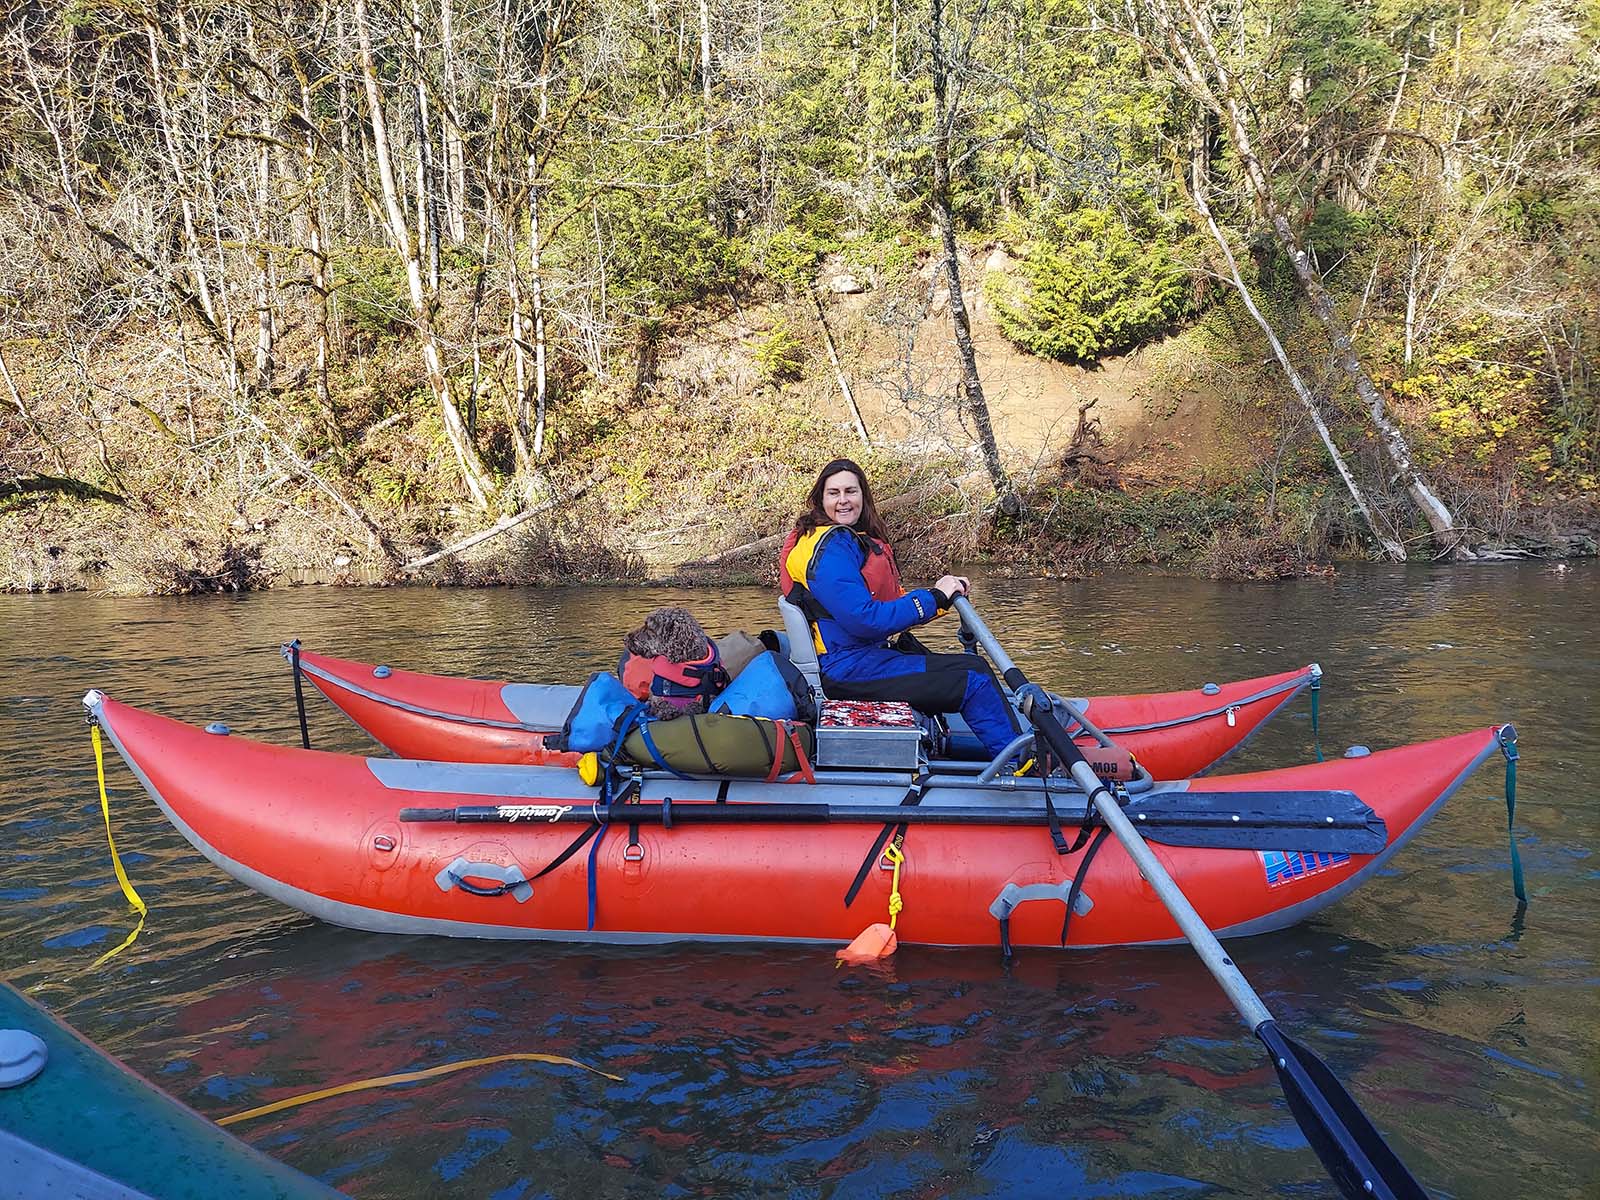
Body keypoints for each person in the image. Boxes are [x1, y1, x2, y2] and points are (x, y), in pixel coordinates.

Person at [779, 458, 1020, 759]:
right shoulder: (830, 550)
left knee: (975, 666)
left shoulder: (837, 541)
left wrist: (939, 598)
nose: (843, 500)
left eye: (851, 491)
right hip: (847, 669)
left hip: (862, 658)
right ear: (820, 499)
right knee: (975, 681)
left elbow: (886, 605)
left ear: (863, 496)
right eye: (834, 493)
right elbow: (865, 620)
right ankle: (1023, 768)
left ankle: (1014, 752)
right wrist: (931, 598)